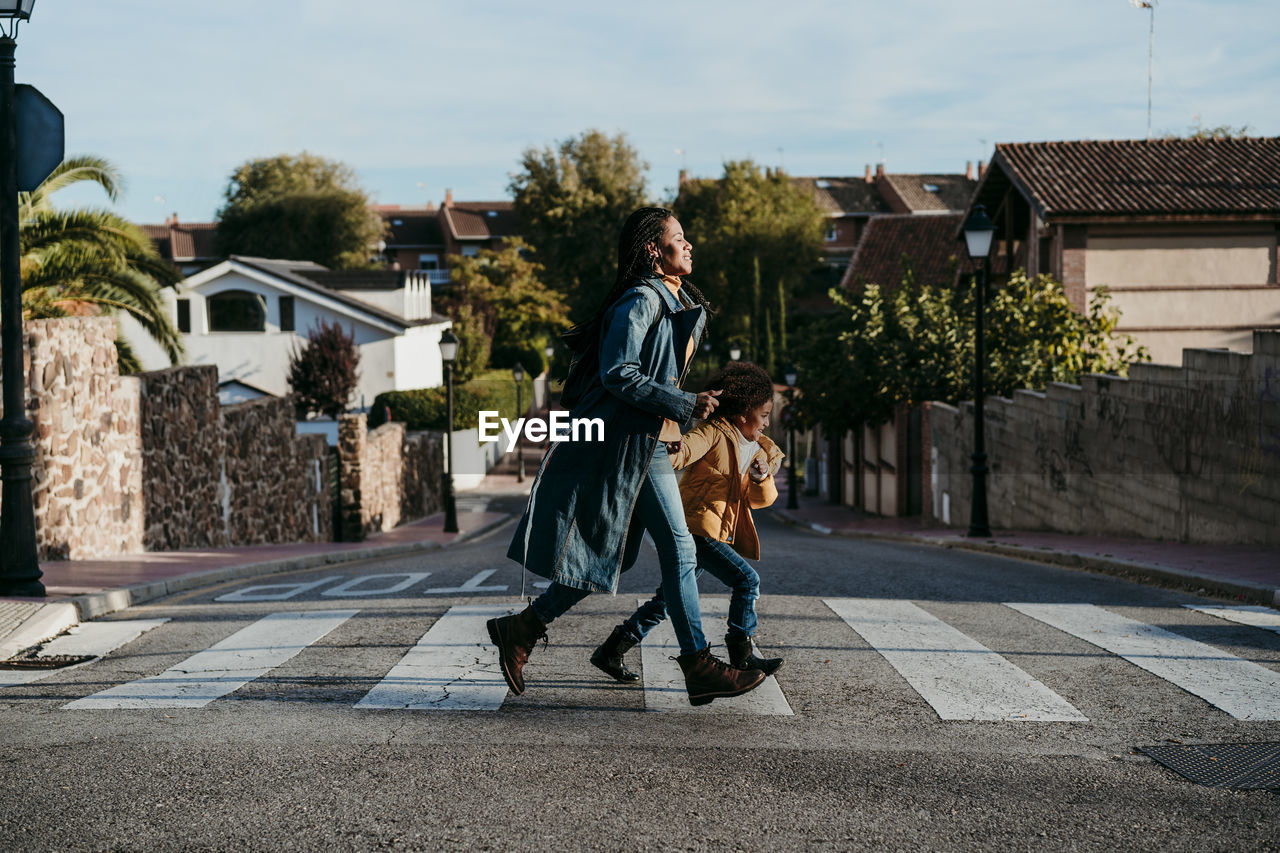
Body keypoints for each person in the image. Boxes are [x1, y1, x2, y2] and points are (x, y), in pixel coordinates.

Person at [486, 207, 766, 707]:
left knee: (614, 556)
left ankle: (524, 627)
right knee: (681, 551)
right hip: (630, 450)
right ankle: (698, 663)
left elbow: (646, 378)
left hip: (649, 445)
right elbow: (620, 373)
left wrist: (672, 427)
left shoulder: (668, 299)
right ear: (654, 250)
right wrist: (684, 404)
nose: (691, 245)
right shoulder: (641, 300)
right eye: (680, 238)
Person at [589, 361, 785, 684]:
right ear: (743, 413)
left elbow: (761, 500)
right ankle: (742, 653)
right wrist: (673, 448)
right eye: (763, 415)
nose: (766, 423)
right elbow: (685, 450)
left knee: (668, 599)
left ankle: (613, 649)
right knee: (746, 581)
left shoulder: (763, 450)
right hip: (696, 529)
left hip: (715, 533)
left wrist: (762, 476)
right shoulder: (714, 432)